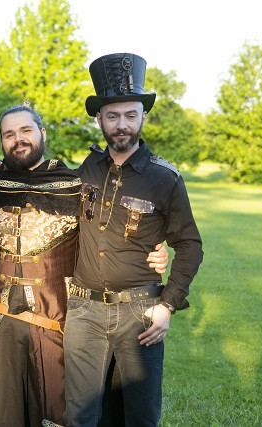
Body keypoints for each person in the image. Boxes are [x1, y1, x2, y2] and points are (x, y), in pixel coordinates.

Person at [0, 104, 169, 427]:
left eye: (26, 131)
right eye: (9, 134)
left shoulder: (75, 185)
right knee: (2, 410)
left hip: (57, 321)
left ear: (42, 133)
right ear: (1, 142)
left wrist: (156, 251)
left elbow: (110, 233)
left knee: (62, 411)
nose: (18, 139)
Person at [63, 53, 204, 427]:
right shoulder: (87, 169)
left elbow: (190, 245)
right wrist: (2, 169)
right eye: (113, 116)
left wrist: (168, 305)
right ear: (99, 120)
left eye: (130, 115)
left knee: (139, 416)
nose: (121, 125)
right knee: (79, 415)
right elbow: (46, 188)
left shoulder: (165, 179)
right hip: (84, 311)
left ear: (143, 117)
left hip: (140, 313)